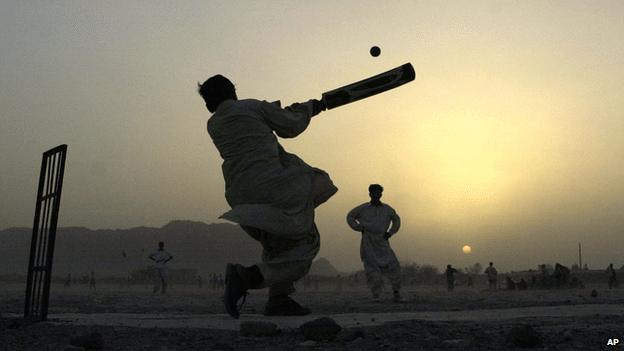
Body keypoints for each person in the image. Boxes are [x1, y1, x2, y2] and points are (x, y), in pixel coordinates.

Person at [198, 75, 337, 318]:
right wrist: (310, 107)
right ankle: (248, 277)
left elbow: (256, 126)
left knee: (277, 243)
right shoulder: (253, 106)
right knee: (307, 237)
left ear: (209, 104)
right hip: (275, 188)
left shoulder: (214, 124)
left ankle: (278, 299)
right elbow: (290, 126)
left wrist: (277, 111)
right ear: (233, 92)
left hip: (240, 196)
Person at [347, 184, 403, 302]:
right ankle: (376, 295)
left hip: (382, 241)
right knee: (372, 269)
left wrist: (390, 232)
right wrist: (358, 228)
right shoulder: (363, 208)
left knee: (394, 266)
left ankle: (396, 293)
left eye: (379, 193)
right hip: (368, 241)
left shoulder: (387, 209)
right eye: (374, 192)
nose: (377, 195)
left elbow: (396, 220)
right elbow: (350, 216)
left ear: (381, 194)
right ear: (370, 194)